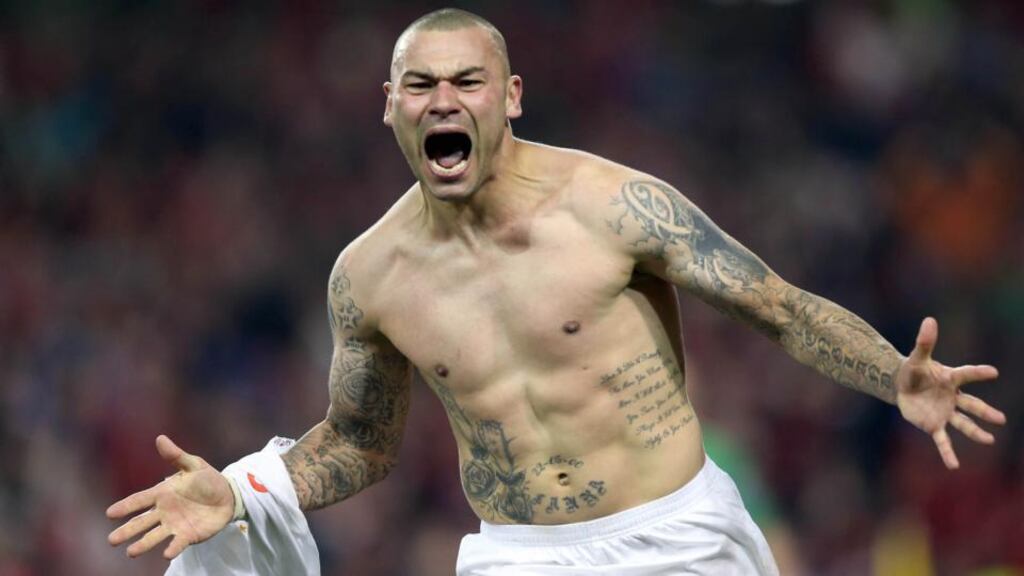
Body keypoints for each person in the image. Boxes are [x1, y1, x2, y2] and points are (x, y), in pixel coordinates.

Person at [106, 8, 1006, 575]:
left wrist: (893, 374)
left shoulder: (612, 204)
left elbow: (775, 305)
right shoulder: (369, 276)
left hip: (678, 538)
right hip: (519, 555)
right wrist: (248, 491)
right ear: (389, 105)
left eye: (468, 81)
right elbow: (359, 443)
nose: (444, 99)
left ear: (512, 98)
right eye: (421, 84)